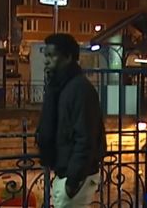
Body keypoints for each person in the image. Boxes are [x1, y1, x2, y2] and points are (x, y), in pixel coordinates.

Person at [36, 33, 107, 207]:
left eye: (52, 55)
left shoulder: (80, 89)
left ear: (68, 57)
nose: (46, 61)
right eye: (45, 55)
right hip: (65, 173)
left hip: (74, 178)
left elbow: (85, 138)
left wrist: (72, 182)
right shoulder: (62, 87)